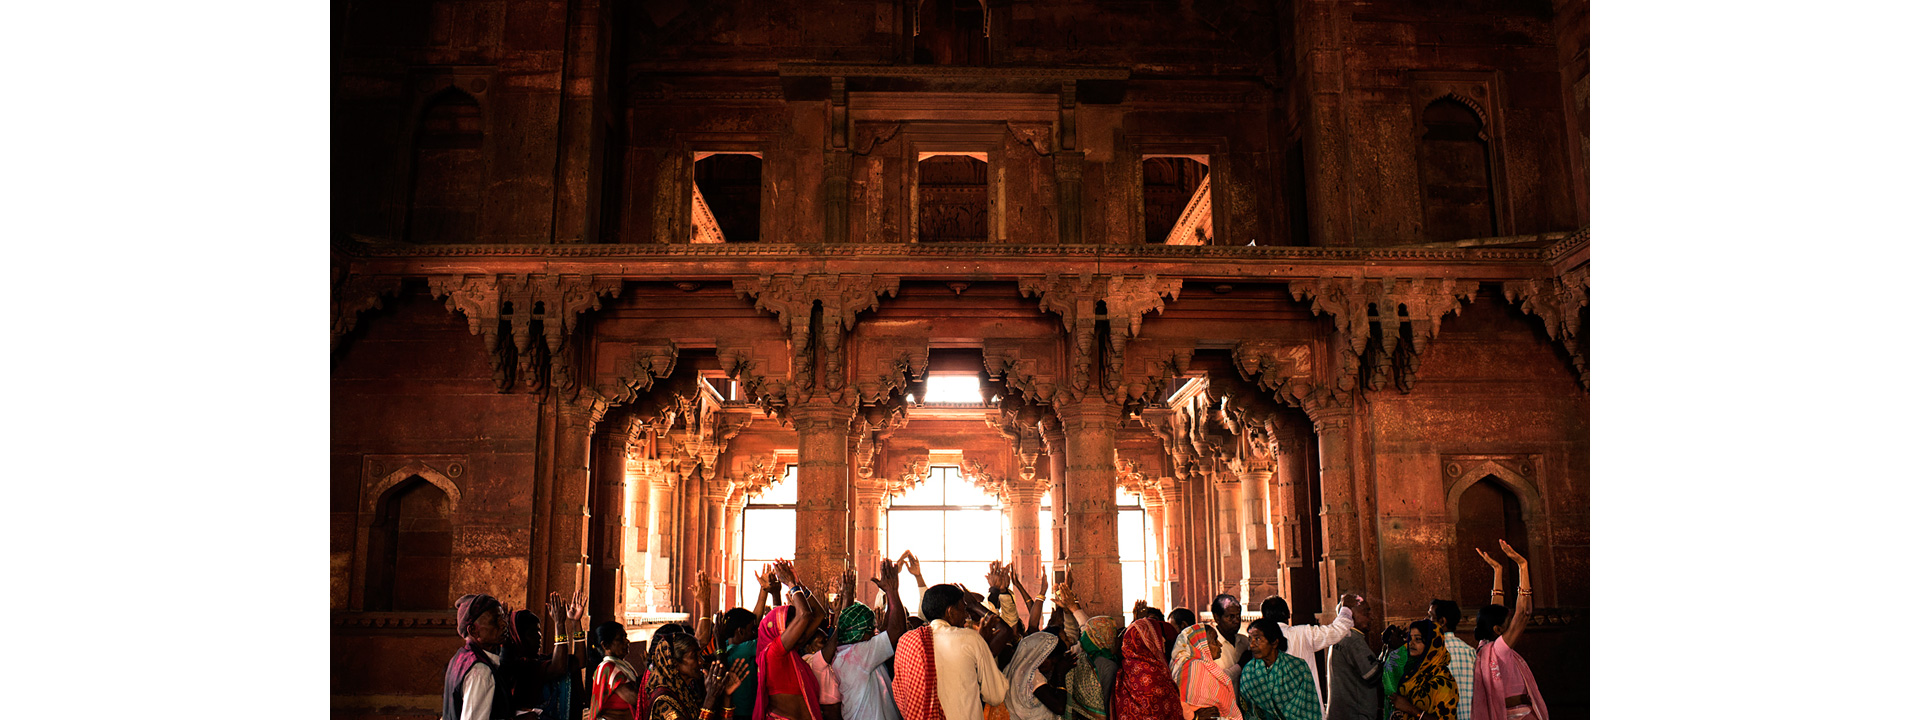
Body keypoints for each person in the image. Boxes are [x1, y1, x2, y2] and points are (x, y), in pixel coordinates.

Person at [893, 582, 1018, 720]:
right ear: (950, 612)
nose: (966, 616)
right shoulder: (970, 639)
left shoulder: (907, 642)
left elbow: (900, 695)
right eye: (963, 609)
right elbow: (995, 695)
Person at [1227, 593, 1359, 713]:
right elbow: (1336, 631)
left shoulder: (1256, 644)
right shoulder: (1303, 634)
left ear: (1263, 618)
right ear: (1288, 614)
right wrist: (1346, 608)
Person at [1470, 541, 1546, 720]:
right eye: (1509, 622)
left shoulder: (1484, 646)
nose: (1512, 625)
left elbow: (1495, 610)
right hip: (1519, 716)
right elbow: (1524, 614)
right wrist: (1523, 566)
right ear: (1498, 629)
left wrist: (1498, 570)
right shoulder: (1499, 649)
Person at [834, 559, 912, 720]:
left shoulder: (842, 654)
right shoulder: (859, 654)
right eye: (871, 630)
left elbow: (886, 632)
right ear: (862, 634)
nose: (874, 633)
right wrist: (892, 590)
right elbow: (896, 630)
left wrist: (848, 598)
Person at [759, 559, 829, 720]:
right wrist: (791, 584)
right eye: (792, 625)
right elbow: (805, 615)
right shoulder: (773, 653)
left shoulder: (793, 649)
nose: (798, 630)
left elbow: (819, 614)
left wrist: (799, 584)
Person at [443, 593, 520, 720]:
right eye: (495, 621)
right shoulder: (480, 671)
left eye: (503, 618)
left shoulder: (461, 657)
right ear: (473, 630)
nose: (504, 624)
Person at [1049, 579, 1117, 720]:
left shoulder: (1106, 665)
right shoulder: (1083, 655)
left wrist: (1073, 608)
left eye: (1089, 633)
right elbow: (1077, 631)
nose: (1084, 634)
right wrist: (1070, 610)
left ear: (1096, 638)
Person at [644, 631, 752, 720]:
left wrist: (727, 696)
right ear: (674, 663)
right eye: (694, 656)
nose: (701, 661)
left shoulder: (687, 691)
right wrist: (710, 697)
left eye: (699, 655)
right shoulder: (663, 701)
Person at [1236, 618, 1320, 720]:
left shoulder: (1298, 667)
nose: (1251, 645)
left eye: (1257, 639)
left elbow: (1309, 707)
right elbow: (1248, 710)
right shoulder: (1249, 671)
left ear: (1274, 642)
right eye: (1250, 639)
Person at [1110, 617, 1181, 720]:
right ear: (1146, 642)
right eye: (1157, 635)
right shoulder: (1156, 675)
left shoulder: (1124, 671)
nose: (1163, 640)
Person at [1385, 622, 1456, 720]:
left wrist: (1410, 709)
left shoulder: (1442, 679)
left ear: (1431, 643)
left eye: (1417, 639)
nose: (1411, 643)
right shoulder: (1414, 672)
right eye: (1410, 638)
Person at [1170, 624, 1242, 720]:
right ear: (1201, 645)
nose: (1220, 644)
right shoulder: (1194, 667)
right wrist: (1195, 717)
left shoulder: (1200, 665)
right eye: (1215, 640)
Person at [1323, 597, 1378, 720]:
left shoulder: (1340, 637)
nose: (1371, 617)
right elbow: (1374, 676)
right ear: (1350, 615)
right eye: (1366, 612)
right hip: (1355, 714)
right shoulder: (1353, 639)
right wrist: (1393, 651)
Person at [1003, 632, 1069, 720]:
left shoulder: (1014, 667)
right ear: (1040, 655)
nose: (1051, 667)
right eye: (1052, 662)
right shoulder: (1033, 676)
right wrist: (1061, 674)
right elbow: (1059, 708)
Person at [1425, 602, 1473, 720]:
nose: (1426, 621)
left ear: (1442, 622)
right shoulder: (1470, 652)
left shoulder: (1431, 654)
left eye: (1430, 616)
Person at [591, 621, 642, 720]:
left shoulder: (624, 665)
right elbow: (635, 698)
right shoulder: (607, 667)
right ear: (606, 645)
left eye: (625, 637)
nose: (627, 641)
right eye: (620, 639)